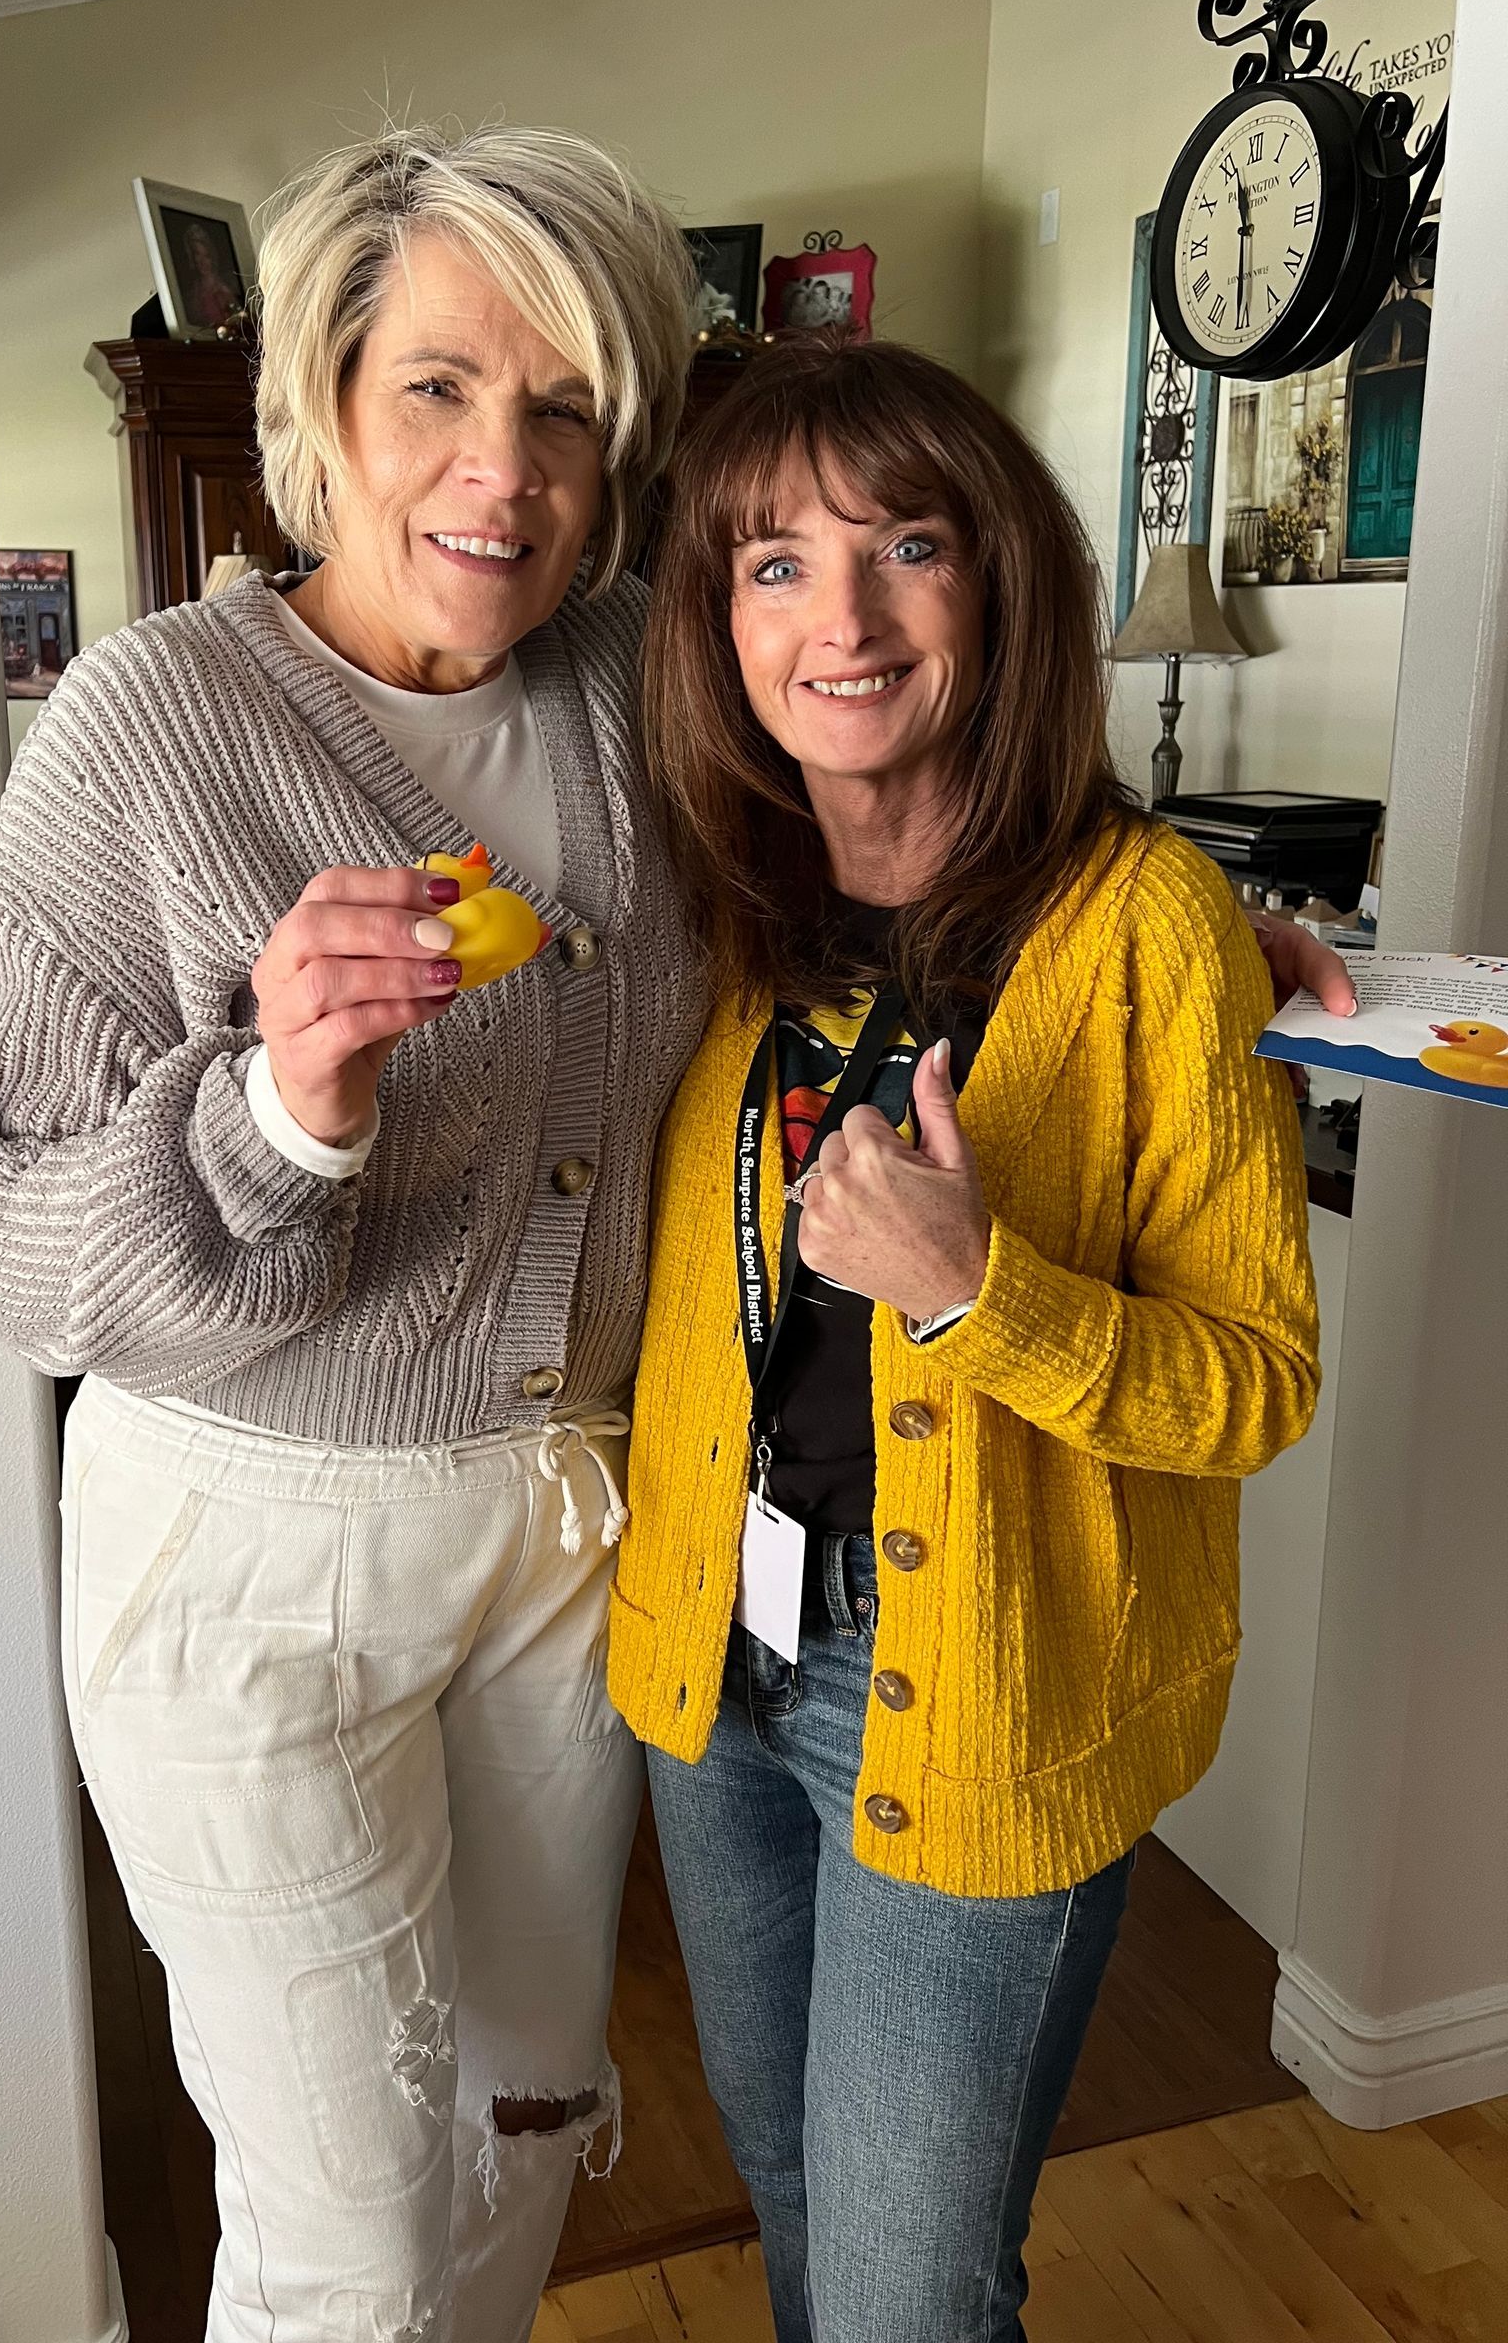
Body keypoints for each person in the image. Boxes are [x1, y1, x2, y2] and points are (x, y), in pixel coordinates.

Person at [0, 122, 1349, 2342]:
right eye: (436, 389)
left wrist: (1189, 926)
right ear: (322, 393)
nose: (501, 467)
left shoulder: (637, 688)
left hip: (583, 1538)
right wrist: (276, 1108)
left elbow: (907, 810)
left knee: (525, 2130)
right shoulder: (149, 730)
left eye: (569, 407)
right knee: (348, 2226)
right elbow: (4, 1224)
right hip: (257, 1536)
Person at [614, 333, 1323, 2343]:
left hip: (975, 1686)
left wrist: (978, 1290)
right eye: (771, 562)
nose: (836, 616)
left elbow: (1255, 1377)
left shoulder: (1153, 924)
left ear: (999, 581)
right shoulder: (715, 905)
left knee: (912, 2299)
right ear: (717, 620)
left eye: (905, 544)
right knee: (799, 2211)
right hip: (712, 1661)